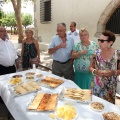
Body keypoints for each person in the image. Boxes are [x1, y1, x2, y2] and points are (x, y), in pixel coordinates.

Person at [89, 30, 120, 104]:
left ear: (110, 42)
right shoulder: (96, 53)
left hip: (110, 87)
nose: (99, 42)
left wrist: (114, 72)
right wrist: (95, 71)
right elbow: (90, 67)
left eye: (102, 41)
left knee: (108, 110)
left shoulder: (118, 54)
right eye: (99, 40)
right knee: (94, 106)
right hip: (96, 86)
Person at [0, 26, 18, 120]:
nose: (4, 32)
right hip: (2, 68)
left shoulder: (10, 42)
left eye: (5, 31)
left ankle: (13, 103)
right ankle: (4, 103)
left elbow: (14, 53)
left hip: (12, 68)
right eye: (1, 31)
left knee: (13, 85)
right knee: (3, 87)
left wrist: (17, 62)